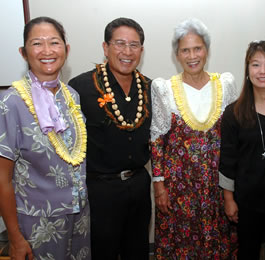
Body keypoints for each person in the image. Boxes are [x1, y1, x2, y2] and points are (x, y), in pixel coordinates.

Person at [0, 17, 90, 260]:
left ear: (66, 49)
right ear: (23, 52)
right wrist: (15, 237)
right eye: (37, 43)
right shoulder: (12, 102)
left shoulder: (72, 96)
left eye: (54, 42)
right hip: (36, 225)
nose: (47, 51)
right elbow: (2, 178)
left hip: (79, 218)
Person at [150, 18, 239, 259]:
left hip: (217, 187)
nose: (192, 55)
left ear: (207, 50)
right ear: (176, 55)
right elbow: (157, 139)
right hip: (179, 189)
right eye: (185, 50)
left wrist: (233, 187)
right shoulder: (164, 89)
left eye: (197, 48)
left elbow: (234, 136)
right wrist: (159, 187)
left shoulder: (226, 84)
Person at [68, 18, 152, 259]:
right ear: (105, 48)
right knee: (101, 252)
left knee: (137, 251)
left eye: (134, 45)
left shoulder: (150, 88)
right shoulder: (81, 88)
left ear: (141, 51)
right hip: (99, 190)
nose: (127, 52)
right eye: (120, 43)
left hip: (138, 185)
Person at [219, 40, 265, 259]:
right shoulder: (234, 112)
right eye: (255, 64)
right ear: (247, 70)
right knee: (247, 252)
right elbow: (228, 159)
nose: (262, 71)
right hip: (246, 203)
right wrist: (228, 199)